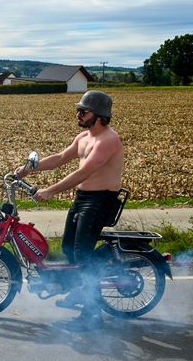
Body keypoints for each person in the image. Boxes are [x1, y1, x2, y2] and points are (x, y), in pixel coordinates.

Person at [16, 90, 123, 332]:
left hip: (101, 201)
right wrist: (27, 169)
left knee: (82, 255)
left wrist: (51, 190)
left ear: (98, 115)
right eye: (79, 110)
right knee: (68, 248)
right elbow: (60, 157)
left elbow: (82, 173)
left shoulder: (108, 140)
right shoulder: (84, 137)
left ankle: (92, 315)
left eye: (83, 111)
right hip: (84, 198)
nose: (78, 113)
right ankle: (80, 291)